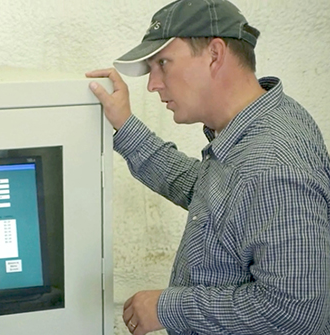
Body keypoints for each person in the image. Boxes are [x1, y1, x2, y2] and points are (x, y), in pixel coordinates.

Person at [86, 0, 330, 334]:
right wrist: (125, 126)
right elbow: (207, 193)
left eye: (163, 63)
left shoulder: (274, 165)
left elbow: (295, 311)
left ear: (215, 54)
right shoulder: (257, 128)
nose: (152, 84)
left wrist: (167, 307)